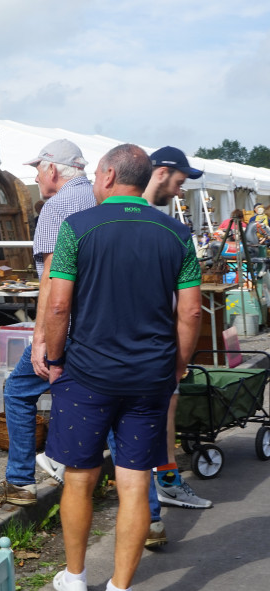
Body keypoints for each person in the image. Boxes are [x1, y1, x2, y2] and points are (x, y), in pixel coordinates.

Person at [44, 144, 201, 591]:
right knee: (134, 483)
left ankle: (74, 578)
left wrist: (53, 358)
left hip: (88, 372)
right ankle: (120, 590)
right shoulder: (177, 234)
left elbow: (56, 305)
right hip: (150, 376)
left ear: (109, 175)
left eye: (96, 174)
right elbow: (191, 311)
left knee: (79, 475)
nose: (94, 180)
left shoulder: (78, 228)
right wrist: (177, 365)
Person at [0, 139, 97, 506]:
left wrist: (42, 336)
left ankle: (20, 481)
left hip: (67, 323)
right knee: (105, 402)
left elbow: (51, 278)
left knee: (17, 390)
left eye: (37, 168)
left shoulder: (57, 206)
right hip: (100, 325)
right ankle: (144, 503)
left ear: (51, 169)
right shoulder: (98, 199)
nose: (35, 175)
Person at [139, 147, 211, 548]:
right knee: (152, 419)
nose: (181, 190)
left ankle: (162, 489)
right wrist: (180, 357)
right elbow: (191, 307)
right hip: (152, 341)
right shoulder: (162, 227)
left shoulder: (163, 223)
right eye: (179, 182)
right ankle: (158, 498)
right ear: (162, 172)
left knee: (159, 417)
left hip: (147, 339)